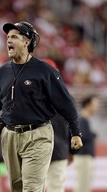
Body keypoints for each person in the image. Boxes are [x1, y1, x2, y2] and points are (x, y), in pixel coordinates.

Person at [0, 21, 83, 192]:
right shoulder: (2, 72)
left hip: (38, 135)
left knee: (32, 188)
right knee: (18, 188)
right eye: (8, 37)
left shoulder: (44, 70)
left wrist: (75, 132)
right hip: (9, 136)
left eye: (14, 37)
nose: (8, 41)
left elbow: (66, 105)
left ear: (27, 42)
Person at [43, 58, 72, 192]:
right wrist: (72, 151)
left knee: (34, 187)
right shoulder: (65, 95)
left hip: (36, 148)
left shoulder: (28, 93)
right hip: (59, 148)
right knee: (56, 187)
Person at [73, 95, 99, 192]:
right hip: (83, 156)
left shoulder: (85, 120)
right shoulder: (81, 119)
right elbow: (82, 136)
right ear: (88, 105)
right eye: (95, 104)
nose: (97, 107)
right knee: (82, 184)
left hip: (85, 156)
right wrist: (92, 135)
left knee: (85, 184)